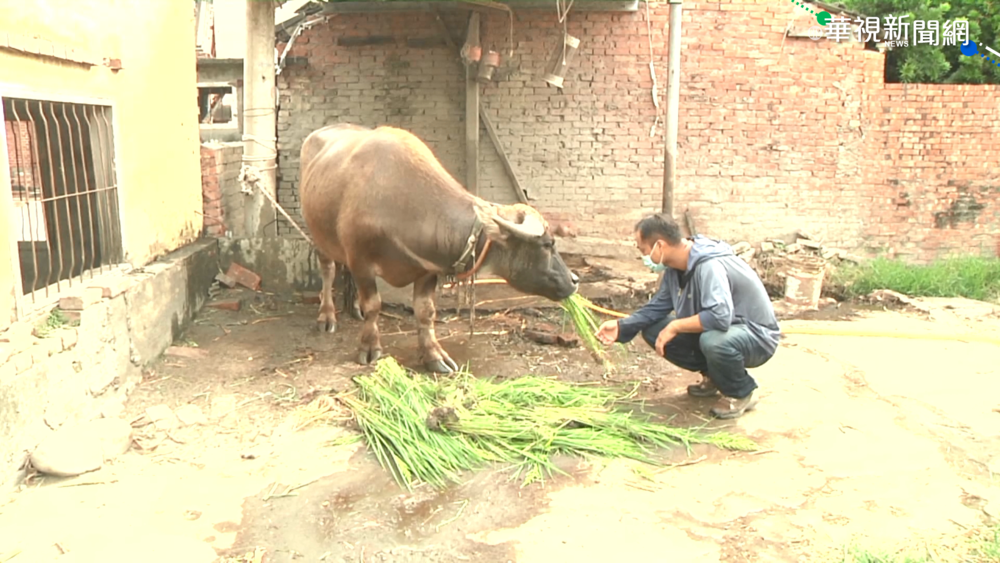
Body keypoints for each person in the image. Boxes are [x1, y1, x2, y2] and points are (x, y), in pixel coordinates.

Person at [595, 213, 781, 419]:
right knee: (653, 328)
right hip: (726, 330)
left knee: (713, 340)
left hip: (756, 336)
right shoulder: (675, 268)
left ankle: (741, 392)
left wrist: (675, 326)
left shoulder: (709, 266)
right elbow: (658, 306)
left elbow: (719, 317)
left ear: (660, 245)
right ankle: (716, 378)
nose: (643, 257)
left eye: (643, 250)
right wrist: (623, 326)